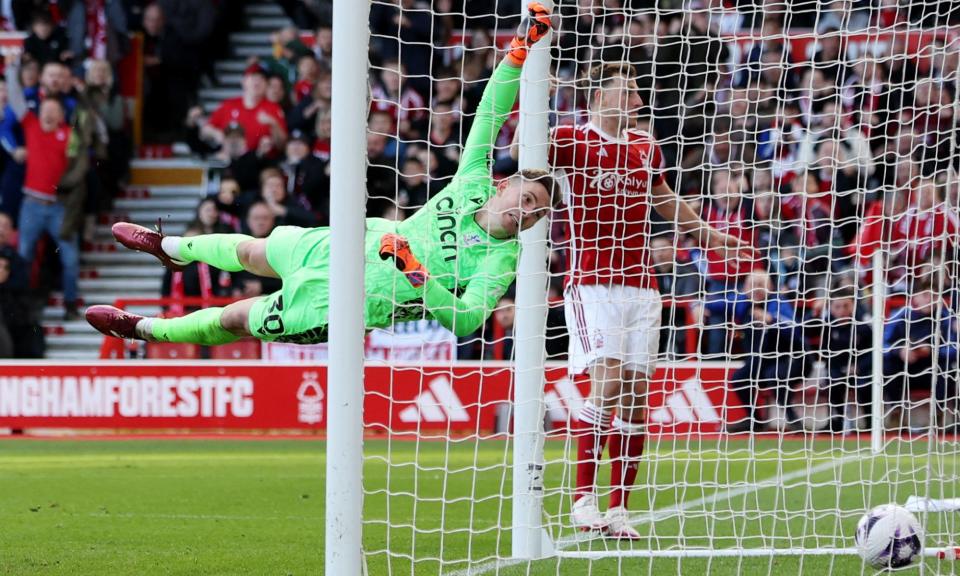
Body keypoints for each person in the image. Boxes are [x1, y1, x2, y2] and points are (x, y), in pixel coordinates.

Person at [86, 3, 558, 349]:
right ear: (505, 184)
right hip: (348, 243)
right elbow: (490, 115)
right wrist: (518, 51)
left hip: (349, 301)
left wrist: (418, 274)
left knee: (234, 318)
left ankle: (140, 328)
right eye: (529, 195)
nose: (528, 210)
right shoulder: (474, 182)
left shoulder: (500, 257)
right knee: (252, 249)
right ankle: (168, 248)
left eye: (537, 212)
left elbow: (466, 320)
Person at [524, 62, 752, 539]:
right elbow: (520, 155)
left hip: (642, 286)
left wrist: (711, 237)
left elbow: (664, 198)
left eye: (634, 88)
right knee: (606, 382)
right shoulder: (568, 139)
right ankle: (582, 501)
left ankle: (619, 509)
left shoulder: (646, 145)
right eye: (622, 88)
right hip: (591, 282)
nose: (631, 95)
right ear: (597, 97)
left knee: (634, 397)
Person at [5, 55, 77, 320]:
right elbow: (14, 96)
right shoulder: (31, 125)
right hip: (32, 204)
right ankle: (23, 305)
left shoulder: (70, 134)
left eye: (53, 111)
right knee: (23, 256)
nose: (48, 113)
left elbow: (79, 168)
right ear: (40, 111)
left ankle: (70, 305)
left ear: (60, 115)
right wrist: (13, 68)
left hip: (59, 206)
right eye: (45, 109)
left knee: (70, 258)